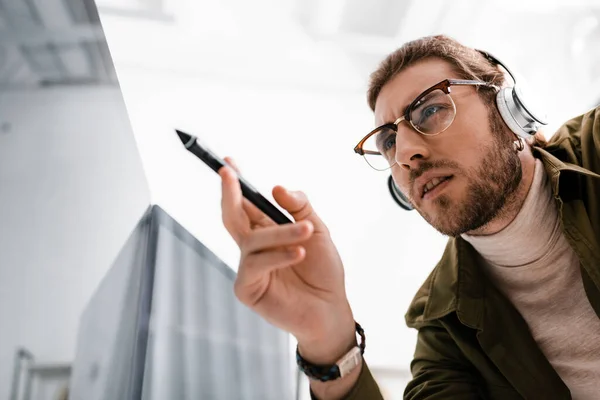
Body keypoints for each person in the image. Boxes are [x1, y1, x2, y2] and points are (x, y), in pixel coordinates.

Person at [219, 35, 600, 399]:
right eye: (388, 142)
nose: (404, 154)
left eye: (430, 110)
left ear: (508, 111)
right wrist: (329, 341)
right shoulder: (442, 324)